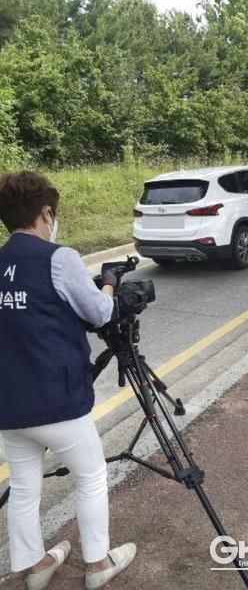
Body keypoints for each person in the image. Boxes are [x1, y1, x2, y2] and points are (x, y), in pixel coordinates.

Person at [0, 171, 136, 590]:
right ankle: (97, 566)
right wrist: (109, 284)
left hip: (8, 403)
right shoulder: (59, 258)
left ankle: (35, 566)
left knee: (24, 487)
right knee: (90, 477)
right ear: (46, 212)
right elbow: (99, 312)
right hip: (56, 399)